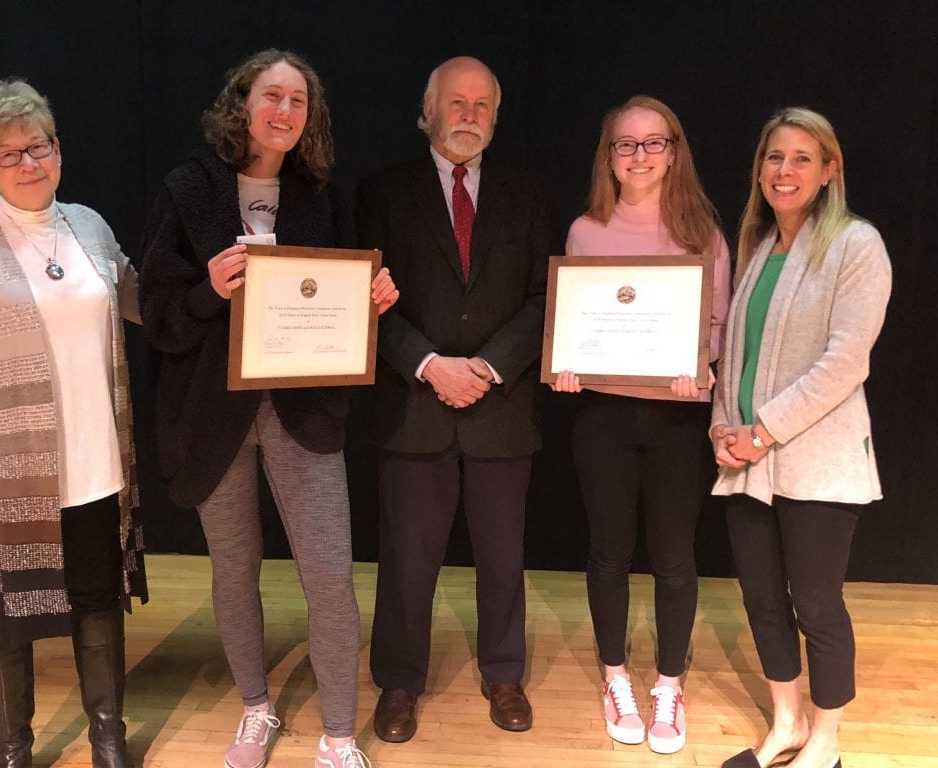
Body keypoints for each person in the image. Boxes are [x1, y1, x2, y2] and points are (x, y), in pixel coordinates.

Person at [138, 49, 396, 768]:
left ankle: (339, 735)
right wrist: (206, 291)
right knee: (234, 565)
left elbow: (340, 303)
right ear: (241, 105)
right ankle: (256, 708)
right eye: (272, 97)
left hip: (303, 411)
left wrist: (371, 301)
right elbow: (156, 311)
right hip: (210, 414)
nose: (285, 112)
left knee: (329, 573)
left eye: (299, 102)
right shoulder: (189, 190)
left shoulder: (320, 194)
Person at [0, 79, 146, 768]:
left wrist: (232, 290)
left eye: (37, 146)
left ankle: (109, 739)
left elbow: (147, 305)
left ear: (58, 149)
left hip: (97, 465)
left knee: (99, 606)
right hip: (2, 474)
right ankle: (12, 751)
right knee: (5, 622)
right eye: (6, 153)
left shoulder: (90, 226)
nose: (27, 163)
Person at [356, 56, 558, 742]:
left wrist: (491, 366)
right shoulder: (382, 192)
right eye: (456, 102)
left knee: (504, 556)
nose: (468, 115)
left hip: (502, 407)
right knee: (407, 561)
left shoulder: (528, 195)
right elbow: (363, 297)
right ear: (428, 112)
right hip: (414, 405)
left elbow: (543, 298)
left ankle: (504, 673)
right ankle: (399, 683)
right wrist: (429, 364)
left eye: (481, 105)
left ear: (495, 118)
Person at [551, 95, 730, 754]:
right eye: (625, 144)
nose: (639, 155)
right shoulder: (585, 231)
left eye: (653, 143)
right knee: (608, 552)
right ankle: (616, 675)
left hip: (678, 418)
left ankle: (669, 685)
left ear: (674, 151)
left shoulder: (702, 230)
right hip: (602, 416)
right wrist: (567, 363)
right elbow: (575, 322)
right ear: (609, 156)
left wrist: (700, 362)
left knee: (677, 558)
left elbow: (717, 325)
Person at [711, 108, 890, 768]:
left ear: (829, 170)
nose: (784, 171)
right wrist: (722, 431)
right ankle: (786, 724)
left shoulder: (856, 245)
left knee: (816, 603)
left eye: (801, 158)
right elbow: (736, 356)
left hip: (817, 461)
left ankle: (826, 741)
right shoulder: (760, 250)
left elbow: (847, 361)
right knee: (761, 598)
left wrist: (761, 432)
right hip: (747, 461)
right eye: (774, 158)